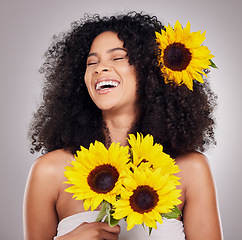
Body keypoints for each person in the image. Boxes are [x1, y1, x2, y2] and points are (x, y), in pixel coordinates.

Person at [24, 12, 222, 240]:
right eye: (92, 62)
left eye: (118, 58)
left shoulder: (191, 170)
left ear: (150, 71)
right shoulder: (48, 172)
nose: (100, 68)